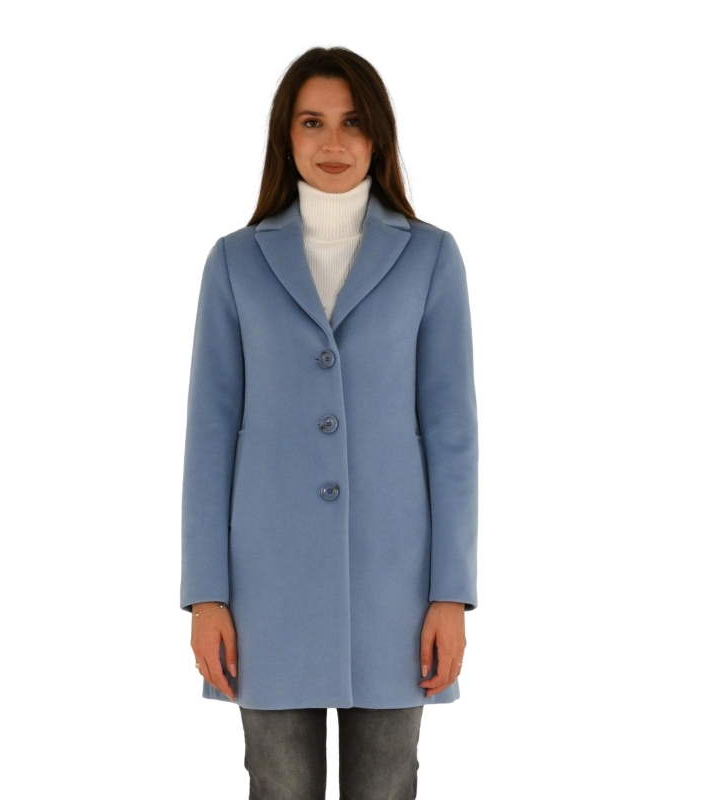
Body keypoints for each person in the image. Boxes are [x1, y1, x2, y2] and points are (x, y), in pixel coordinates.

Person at [180, 46, 479, 800]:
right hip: (265, 590)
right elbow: (209, 438)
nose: (333, 142)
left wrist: (451, 593)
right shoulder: (234, 264)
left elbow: (452, 437)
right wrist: (205, 595)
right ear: (286, 136)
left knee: (387, 785)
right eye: (312, 122)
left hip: (397, 588)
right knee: (278, 785)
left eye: (353, 122)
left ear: (379, 136)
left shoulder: (431, 259)